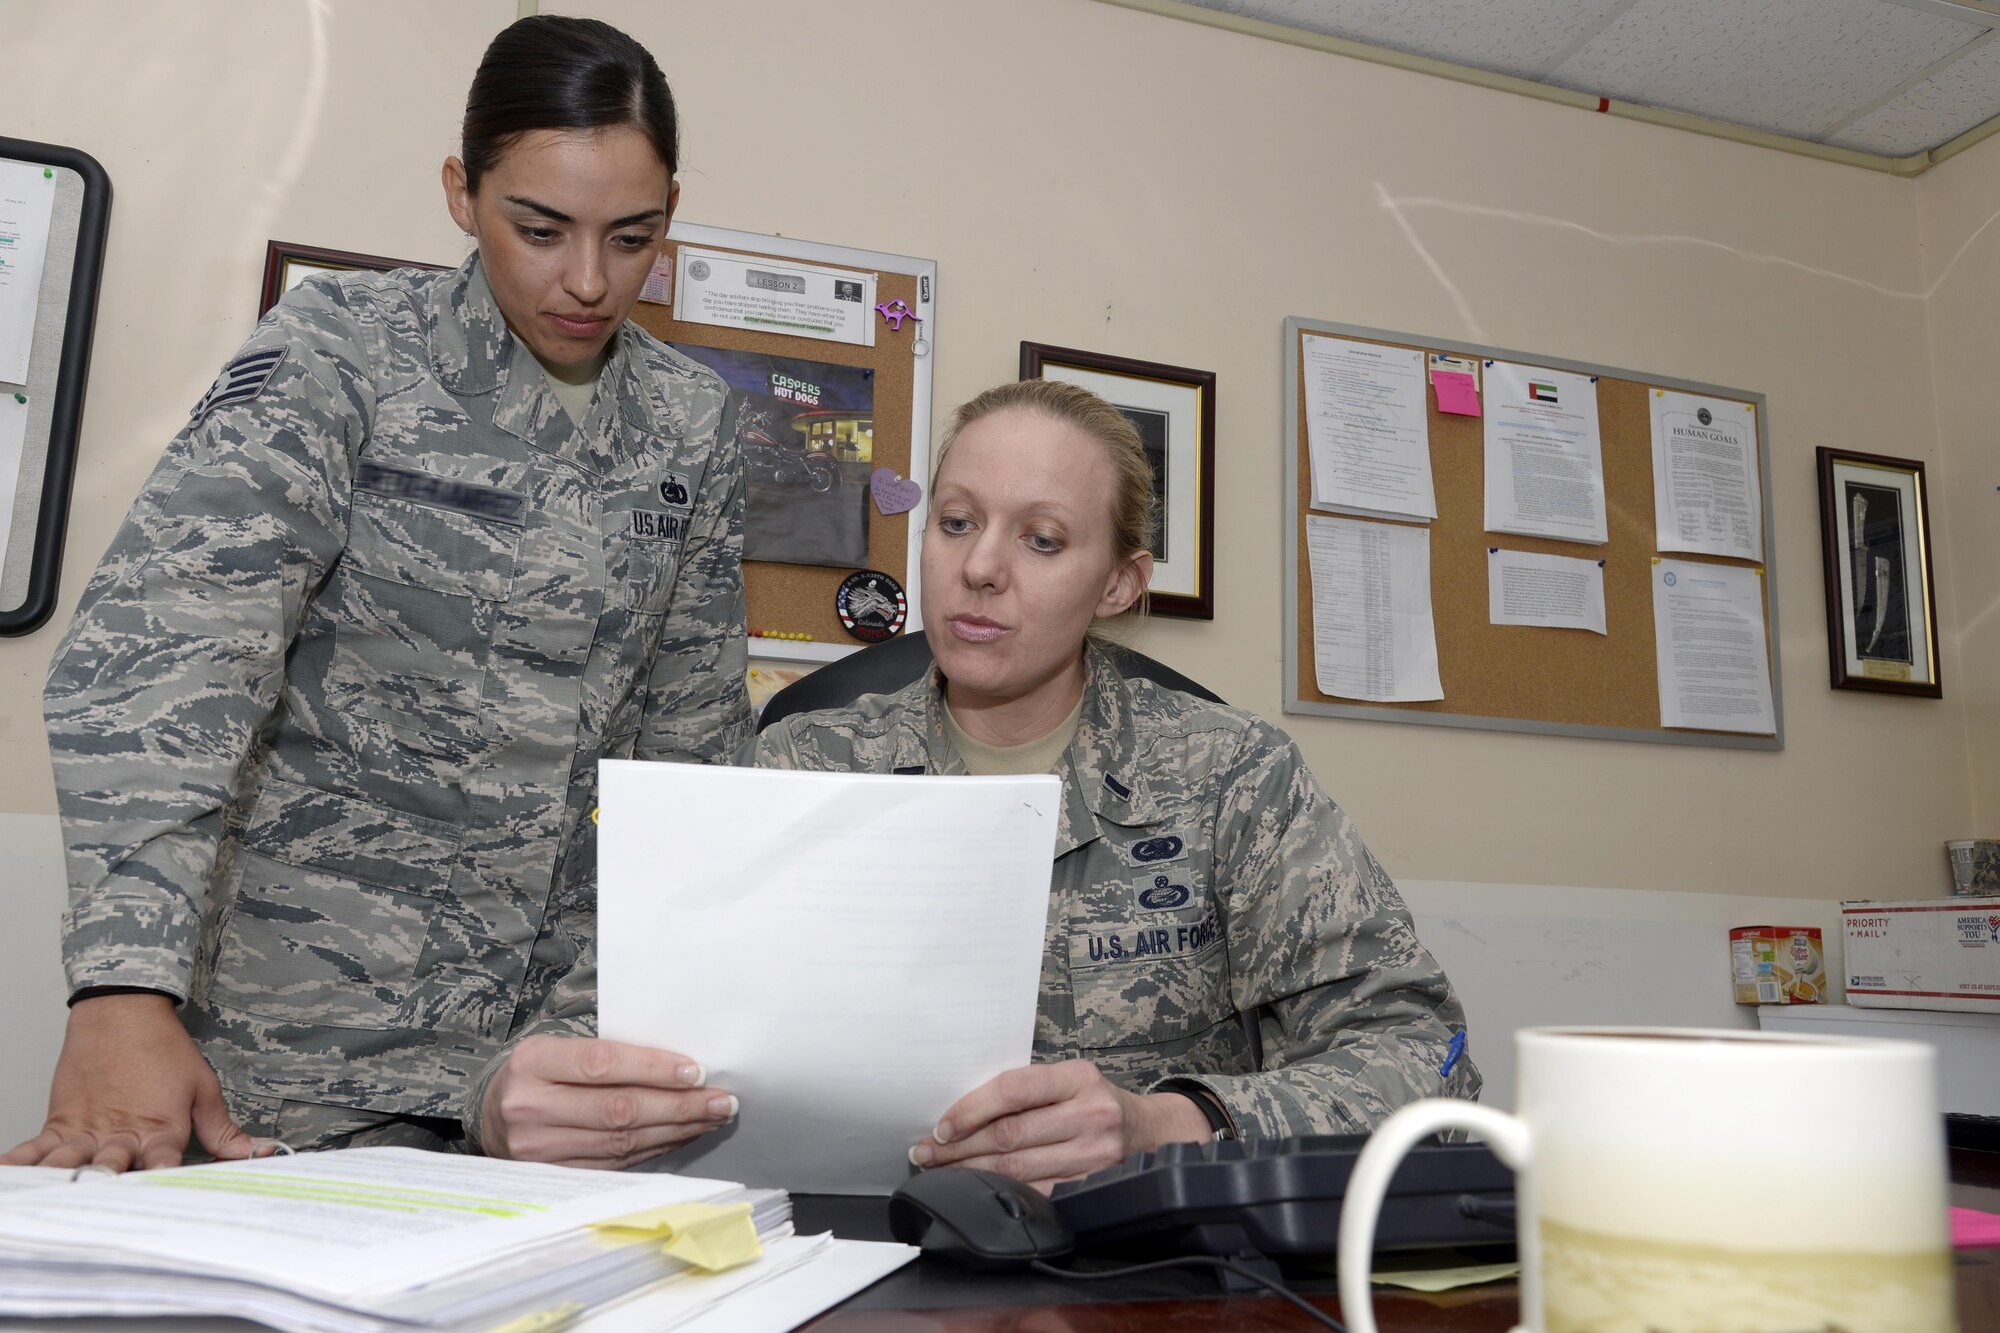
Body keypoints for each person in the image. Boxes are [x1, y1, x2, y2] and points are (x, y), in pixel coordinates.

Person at [6, 15, 749, 1174]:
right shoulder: (341, 353)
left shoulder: (691, 426)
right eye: (539, 228)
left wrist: (583, 1046)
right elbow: (170, 655)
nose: (590, 280)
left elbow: (685, 773)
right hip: (281, 1058)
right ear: (462, 191)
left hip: (540, 1085)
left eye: (634, 236)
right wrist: (122, 988)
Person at [470, 379, 1480, 1189]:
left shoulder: (1230, 780)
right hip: (843, 1264)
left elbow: (1425, 1064)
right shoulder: (804, 764)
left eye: (1041, 540)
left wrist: (1161, 1125)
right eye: (955, 522)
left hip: (1136, 1286)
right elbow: (602, 1021)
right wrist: (509, 1097)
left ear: (1119, 582)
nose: (980, 568)